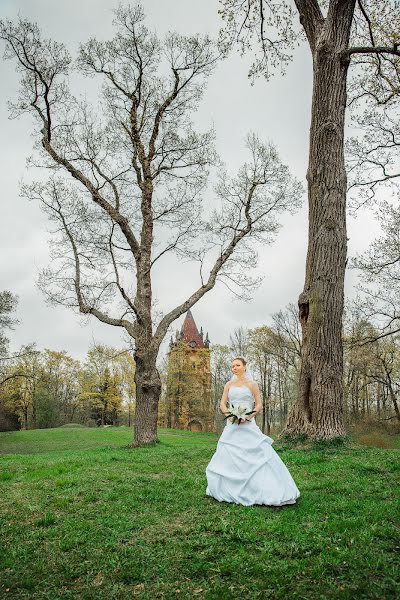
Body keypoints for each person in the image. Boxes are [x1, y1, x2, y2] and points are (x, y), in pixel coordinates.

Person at [205, 356, 300, 507]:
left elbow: (259, 404)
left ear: (244, 367)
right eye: (233, 366)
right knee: (228, 452)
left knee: (257, 452)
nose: (234, 368)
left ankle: (262, 488)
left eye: (237, 365)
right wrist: (229, 415)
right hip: (232, 425)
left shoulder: (252, 384)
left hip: (248, 424)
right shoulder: (228, 385)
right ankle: (229, 487)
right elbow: (223, 404)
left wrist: (248, 416)